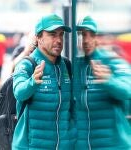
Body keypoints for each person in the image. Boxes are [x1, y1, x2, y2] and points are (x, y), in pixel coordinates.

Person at [12, 14, 76, 150]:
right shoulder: (27, 64)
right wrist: (33, 82)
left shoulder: (67, 65)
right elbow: (19, 92)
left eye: (61, 35)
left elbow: (73, 106)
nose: (59, 40)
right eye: (53, 34)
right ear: (38, 38)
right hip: (31, 146)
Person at [73, 16, 131, 149]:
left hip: (115, 145)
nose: (86, 40)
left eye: (90, 35)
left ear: (96, 37)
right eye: (82, 35)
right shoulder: (74, 66)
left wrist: (109, 81)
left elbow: (127, 90)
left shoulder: (113, 61)